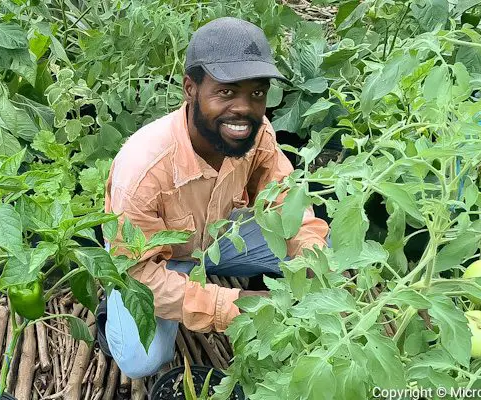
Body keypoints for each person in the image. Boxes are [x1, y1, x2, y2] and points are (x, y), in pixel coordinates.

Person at [97, 17, 330, 379]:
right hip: (159, 259)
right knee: (141, 359)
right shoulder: (143, 171)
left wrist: (311, 258)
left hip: (221, 236)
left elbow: (286, 200)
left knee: (321, 251)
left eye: (256, 93)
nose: (244, 108)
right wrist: (237, 306)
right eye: (226, 92)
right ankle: (110, 311)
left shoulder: (256, 133)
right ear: (190, 88)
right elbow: (142, 275)